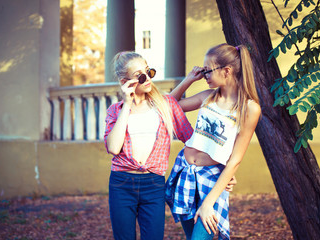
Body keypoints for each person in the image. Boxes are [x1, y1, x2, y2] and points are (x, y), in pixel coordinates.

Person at [165, 43, 261, 240]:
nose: (204, 74)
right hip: (185, 172)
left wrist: (208, 203)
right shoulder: (207, 97)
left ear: (227, 71)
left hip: (212, 180)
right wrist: (188, 80)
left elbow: (235, 160)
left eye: (208, 70)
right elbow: (167, 108)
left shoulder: (249, 108)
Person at [103, 51, 194, 240]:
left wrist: (221, 167)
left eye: (148, 72)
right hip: (121, 183)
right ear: (124, 81)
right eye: (139, 76)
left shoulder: (165, 104)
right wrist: (127, 104)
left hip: (153, 183)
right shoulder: (116, 110)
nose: (147, 79)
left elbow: (191, 138)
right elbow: (113, 147)